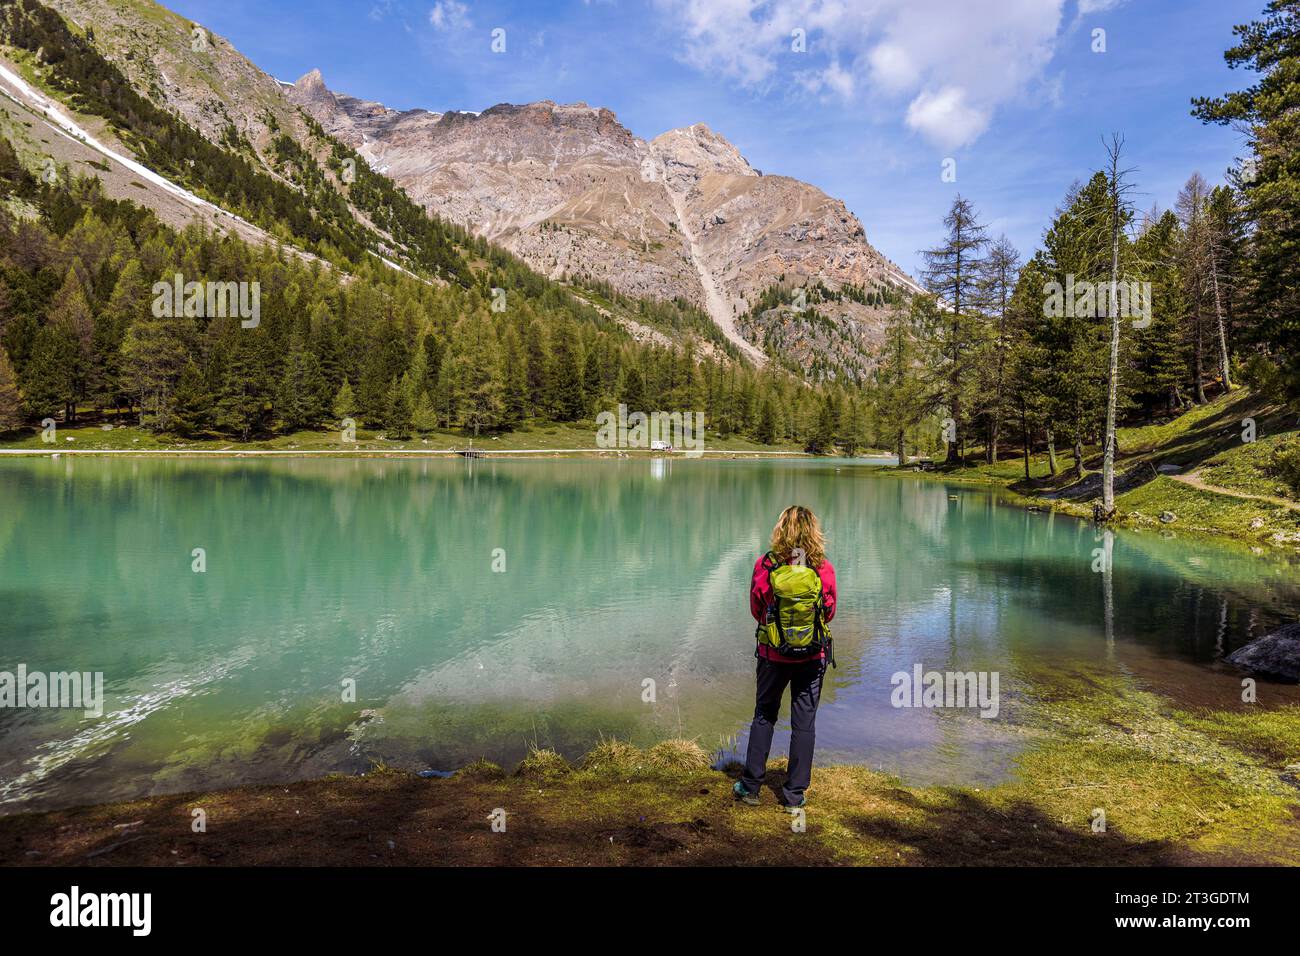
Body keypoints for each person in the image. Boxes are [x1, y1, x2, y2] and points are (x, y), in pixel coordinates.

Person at [733, 505, 836, 810]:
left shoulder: (765, 566)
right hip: (812, 656)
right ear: (814, 533)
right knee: (804, 722)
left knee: (765, 714)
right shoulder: (822, 568)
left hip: (773, 655)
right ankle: (794, 795)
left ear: (780, 531)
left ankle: (750, 787)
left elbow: (756, 609)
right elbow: (828, 613)